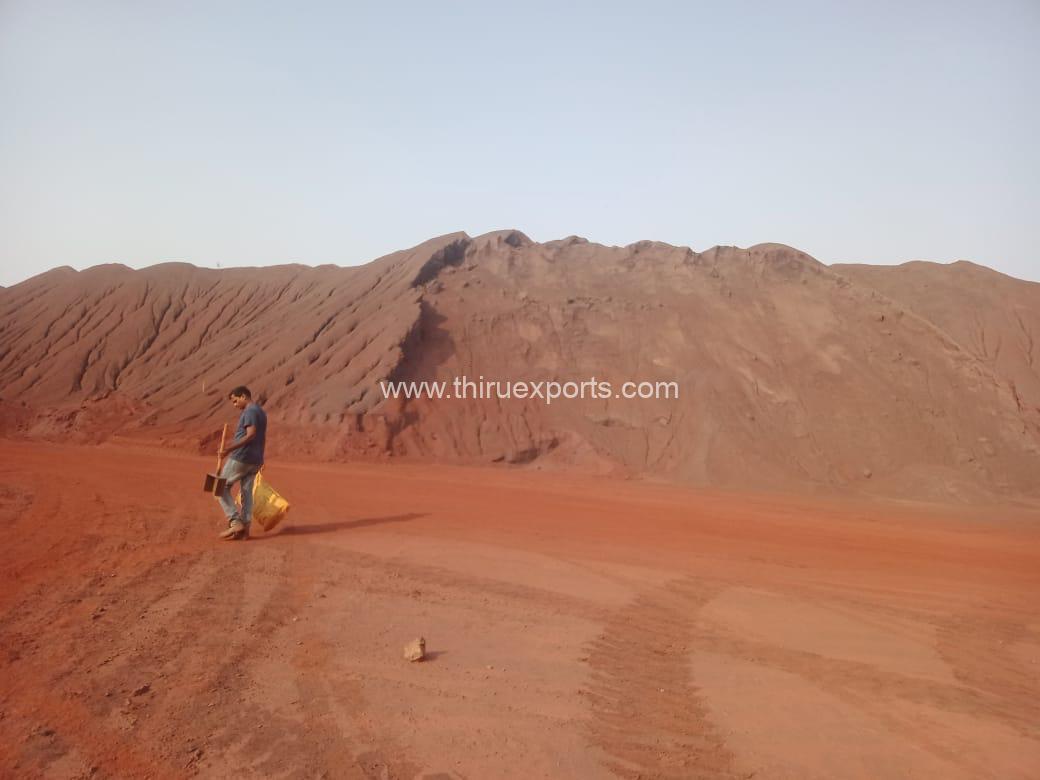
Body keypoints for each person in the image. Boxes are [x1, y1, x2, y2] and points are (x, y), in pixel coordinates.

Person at [216, 385, 267, 541]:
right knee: (246, 494)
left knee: (218, 486)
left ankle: (235, 521)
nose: (235, 405)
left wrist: (228, 449)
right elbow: (261, 437)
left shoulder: (250, 412)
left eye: (235, 401)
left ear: (244, 396)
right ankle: (245, 529)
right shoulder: (261, 412)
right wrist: (261, 458)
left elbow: (250, 435)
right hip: (255, 459)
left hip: (241, 457)